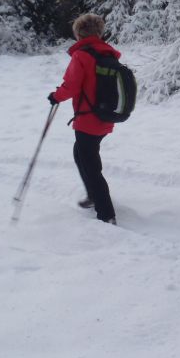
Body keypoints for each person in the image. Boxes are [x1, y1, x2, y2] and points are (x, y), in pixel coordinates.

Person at [48, 13, 120, 225]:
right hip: (105, 117)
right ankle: (93, 195)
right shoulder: (108, 55)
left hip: (88, 118)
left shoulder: (81, 56)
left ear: (79, 33)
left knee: (89, 164)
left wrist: (55, 96)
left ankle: (106, 214)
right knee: (82, 155)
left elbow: (71, 86)